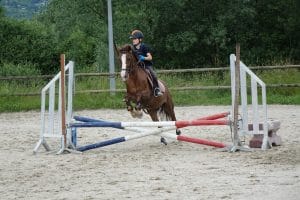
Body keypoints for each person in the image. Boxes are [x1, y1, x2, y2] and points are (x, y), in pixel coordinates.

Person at [129, 30, 163, 97]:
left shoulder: (144, 47)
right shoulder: (132, 48)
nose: (133, 40)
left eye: (135, 39)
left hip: (147, 65)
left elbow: (150, 57)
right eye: (132, 39)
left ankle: (156, 89)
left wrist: (143, 58)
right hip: (138, 67)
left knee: (153, 75)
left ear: (140, 39)